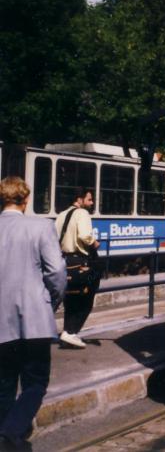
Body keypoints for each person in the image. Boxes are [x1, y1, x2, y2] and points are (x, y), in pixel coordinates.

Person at [0, 177, 66, 450]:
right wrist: (49, 302)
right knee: (35, 382)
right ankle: (9, 434)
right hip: (34, 320)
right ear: (25, 200)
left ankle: (7, 434)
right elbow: (57, 272)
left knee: (3, 384)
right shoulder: (41, 226)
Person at [54, 188, 100, 349]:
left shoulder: (61, 215)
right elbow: (85, 235)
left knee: (70, 298)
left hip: (64, 261)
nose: (91, 203)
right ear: (79, 200)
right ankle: (71, 332)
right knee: (86, 299)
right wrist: (95, 243)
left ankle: (68, 332)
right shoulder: (82, 214)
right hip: (80, 261)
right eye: (89, 199)